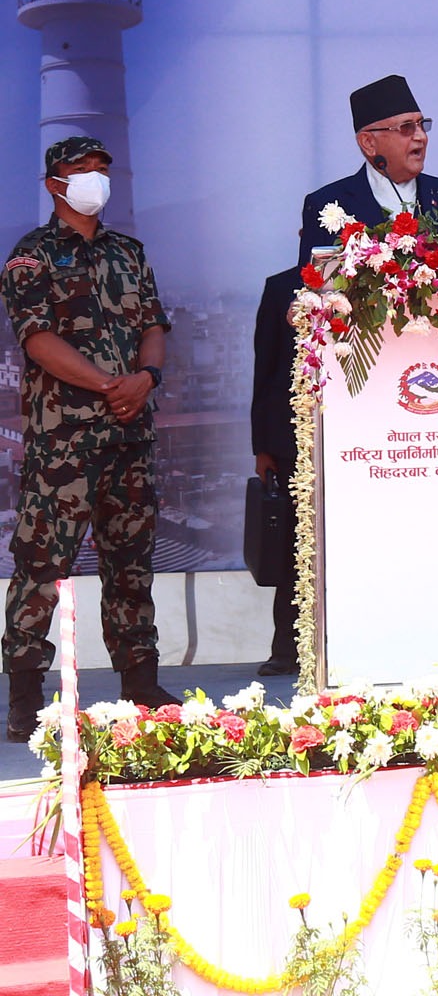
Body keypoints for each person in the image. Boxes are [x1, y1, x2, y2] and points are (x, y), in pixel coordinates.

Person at [2, 136, 177, 740]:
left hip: (130, 436)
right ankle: (26, 697)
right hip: (65, 443)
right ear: (55, 182)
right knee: (41, 567)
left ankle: (141, 682)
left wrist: (145, 378)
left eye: (102, 168)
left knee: (132, 565)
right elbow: (37, 341)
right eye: (82, 169)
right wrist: (110, 385)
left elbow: (154, 325)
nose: (95, 179)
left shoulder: (129, 252)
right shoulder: (31, 257)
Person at [295, 74, 438, 264]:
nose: (421, 137)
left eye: (422, 125)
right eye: (406, 127)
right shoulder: (326, 204)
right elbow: (312, 280)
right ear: (368, 143)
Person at [250, 265, 303, 676]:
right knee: (292, 546)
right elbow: (265, 369)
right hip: (291, 440)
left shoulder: (376, 280)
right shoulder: (281, 286)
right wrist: (262, 446)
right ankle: (287, 650)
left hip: (360, 439)